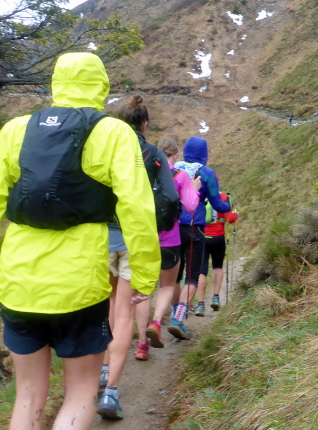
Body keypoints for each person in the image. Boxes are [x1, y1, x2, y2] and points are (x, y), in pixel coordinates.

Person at [0, 52, 160, 430]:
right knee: (81, 393)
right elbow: (137, 210)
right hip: (80, 286)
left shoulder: (15, 130)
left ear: (56, 83)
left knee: (28, 395)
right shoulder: (113, 133)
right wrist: (145, 276)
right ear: (101, 86)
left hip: (19, 284)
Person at [97, 96, 181, 420]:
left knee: (105, 310)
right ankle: (111, 392)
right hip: (134, 239)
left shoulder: (105, 149)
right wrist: (158, 225)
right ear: (145, 124)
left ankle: (102, 370)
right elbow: (170, 197)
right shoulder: (154, 154)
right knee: (123, 316)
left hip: (102, 237)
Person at [137, 138, 200, 358]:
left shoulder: (143, 173)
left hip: (144, 238)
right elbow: (190, 207)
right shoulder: (180, 176)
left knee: (144, 291)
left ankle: (142, 346)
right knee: (166, 286)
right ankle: (156, 322)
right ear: (175, 156)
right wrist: (195, 189)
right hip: (169, 241)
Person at [168, 136, 231, 340]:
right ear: (204, 154)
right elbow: (218, 204)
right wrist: (228, 205)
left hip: (173, 227)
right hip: (195, 228)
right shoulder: (206, 173)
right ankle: (178, 318)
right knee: (192, 276)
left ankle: (173, 311)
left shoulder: (174, 168)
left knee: (175, 275)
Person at [195, 192, 239, 315]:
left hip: (202, 237)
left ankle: (200, 305)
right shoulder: (222, 197)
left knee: (202, 271)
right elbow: (230, 218)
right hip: (218, 238)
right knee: (217, 267)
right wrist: (236, 214)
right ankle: (216, 298)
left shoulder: (198, 195)